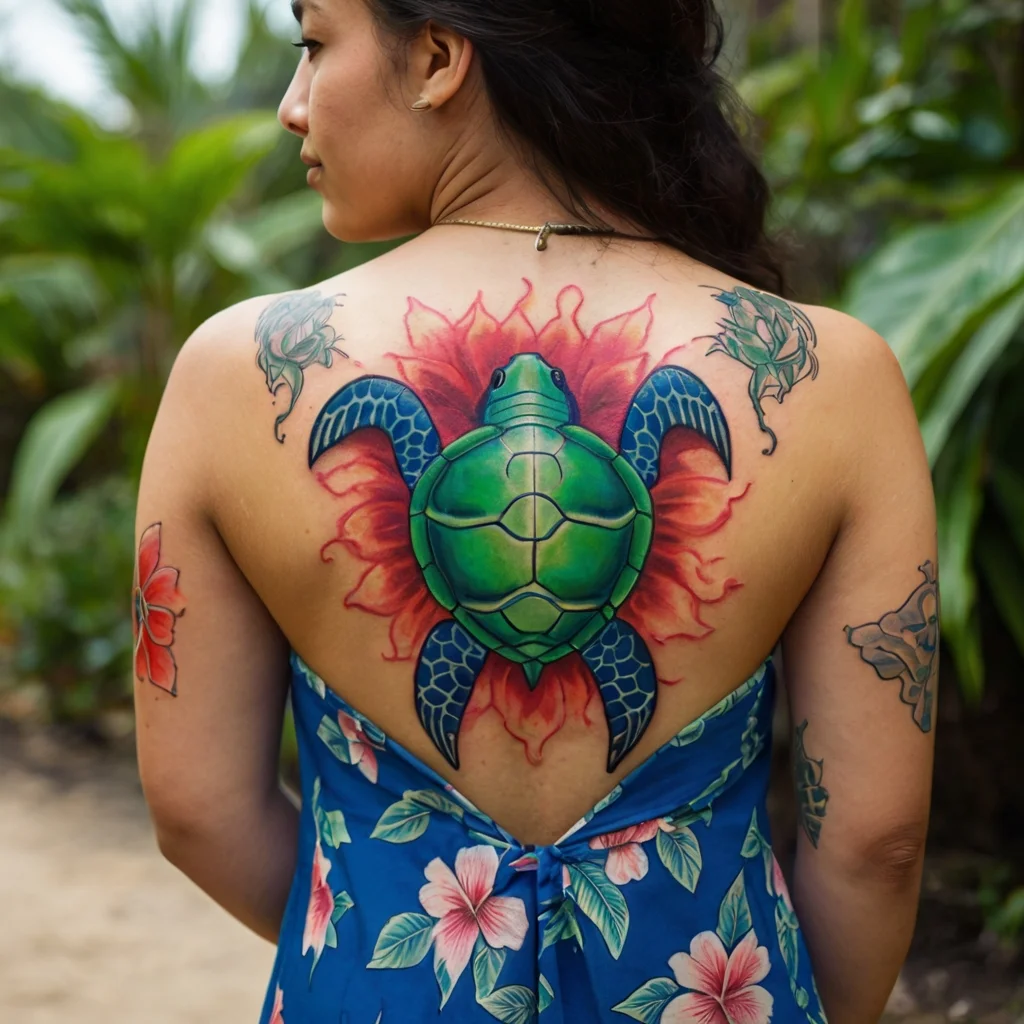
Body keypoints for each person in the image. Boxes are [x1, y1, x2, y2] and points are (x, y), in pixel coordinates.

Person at [131, 0, 937, 1021]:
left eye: (313, 42)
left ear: (435, 57)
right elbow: (873, 843)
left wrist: (409, 944)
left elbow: (199, 811)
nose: (294, 105)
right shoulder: (827, 376)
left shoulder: (239, 374)